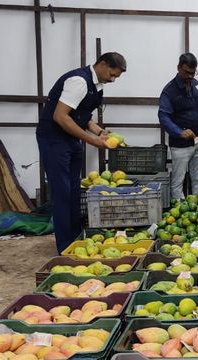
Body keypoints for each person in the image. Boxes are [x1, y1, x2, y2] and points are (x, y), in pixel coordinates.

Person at [36, 52, 126, 253]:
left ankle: (76, 241)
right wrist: (93, 140)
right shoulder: (79, 81)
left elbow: (81, 116)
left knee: (74, 192)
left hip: (71, 139)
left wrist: (100, 132)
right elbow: (61, 116)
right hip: (54, 139)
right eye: (112, 74)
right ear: (102, 64)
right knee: (62, 193)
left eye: (116, 77)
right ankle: (65, 248)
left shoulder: (97, 86)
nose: (112, 80)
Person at [158, 53, 198, 201]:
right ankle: (179, 210)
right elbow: (163, 117)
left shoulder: (196, 84)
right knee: (178, 180)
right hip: (180, 146)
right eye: (187, 72)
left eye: (193, 73)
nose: (190, 76)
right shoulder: (169, 91)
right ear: (178, 68)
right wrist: (179, 132)